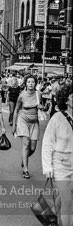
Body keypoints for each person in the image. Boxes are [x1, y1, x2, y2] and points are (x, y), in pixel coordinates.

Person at [42, 83, 73, 226]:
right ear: (66, 100)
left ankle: (54, 213)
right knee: (67, 200)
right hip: (60, 164)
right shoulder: (57, 118)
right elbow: (47, 144)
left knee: (64, 198)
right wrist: (47, 168)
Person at [13, 75, 43, 179]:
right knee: (26, 145)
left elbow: (42, 107)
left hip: (35, 122)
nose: (31, 84)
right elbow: (16, 110)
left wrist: (41, 107)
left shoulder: (39, 94)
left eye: (33, 82)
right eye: (29, 82)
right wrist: (14, 125)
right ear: (25, 83)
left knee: (33, 148)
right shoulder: (21, 95)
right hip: (23, 120)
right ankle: (25, 170)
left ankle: (24, 157)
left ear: (35, 83)